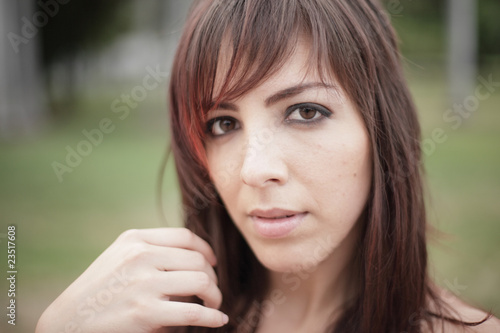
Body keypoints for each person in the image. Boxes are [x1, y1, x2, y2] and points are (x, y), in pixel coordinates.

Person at [36, 0, 499, 332]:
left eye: (305, 112)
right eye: (222, 122)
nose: (254, 170)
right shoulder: (154, 322)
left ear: (380, 129)